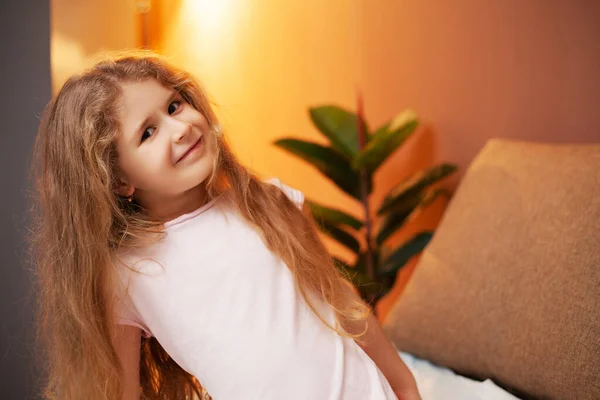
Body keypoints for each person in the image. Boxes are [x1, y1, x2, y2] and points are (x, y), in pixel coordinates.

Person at [30, 51, 421, 400]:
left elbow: (342, 300)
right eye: (147, 133)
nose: (179, 128)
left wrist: (403, 385)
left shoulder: (270, 202)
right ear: (117, 180)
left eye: (174, 106)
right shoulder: (128, 273)